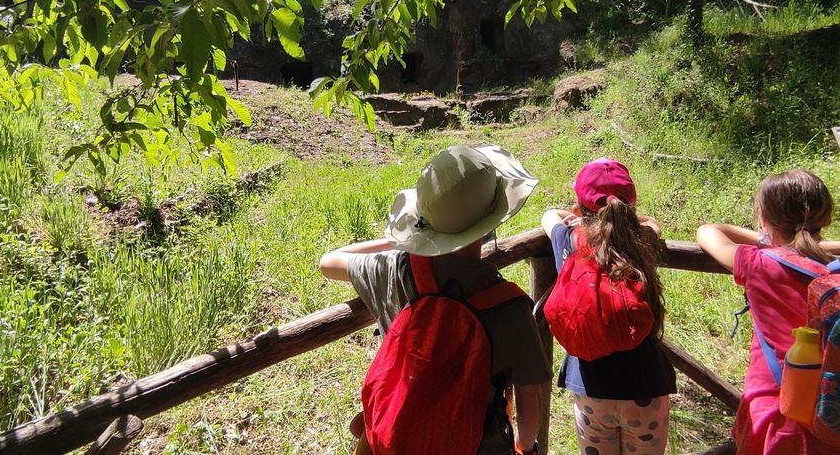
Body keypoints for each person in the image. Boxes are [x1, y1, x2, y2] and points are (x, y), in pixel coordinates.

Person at [320, 145, 550, 454]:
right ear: (491, 222)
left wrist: (400, 241)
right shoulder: (509, 306)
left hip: (396, 441)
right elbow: (530, 400)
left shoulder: (397, 268)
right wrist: (524, 446)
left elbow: (329, 262)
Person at [697, 168, 840, 454]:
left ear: (764, 218)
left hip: (773, 410)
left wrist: (768, 239)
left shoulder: (759, 263)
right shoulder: (833, 268)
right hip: (829, 412)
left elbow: (709, 231)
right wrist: (811, 243)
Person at [541, 158, 675, 455]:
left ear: (579, 209)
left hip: (591, 389)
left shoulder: (568, 239)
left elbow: (548, 215)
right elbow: (653, 223)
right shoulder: (642, 240)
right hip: (646, 387)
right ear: (631, 206)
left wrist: (574, 217)